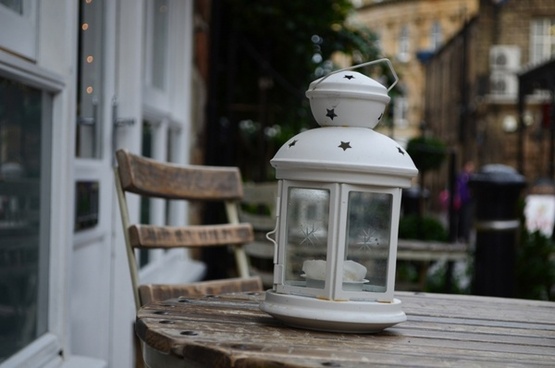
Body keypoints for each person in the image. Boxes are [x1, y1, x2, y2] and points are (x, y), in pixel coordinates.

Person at [455, 160, 475, 242]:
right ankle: (460, 236)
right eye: (469, 166)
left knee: (467, 219)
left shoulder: (472, 177)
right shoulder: (461, 177)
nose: (470, 169)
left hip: (469, 202)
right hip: (461, 201)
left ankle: (465, 237)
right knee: (461, 219)